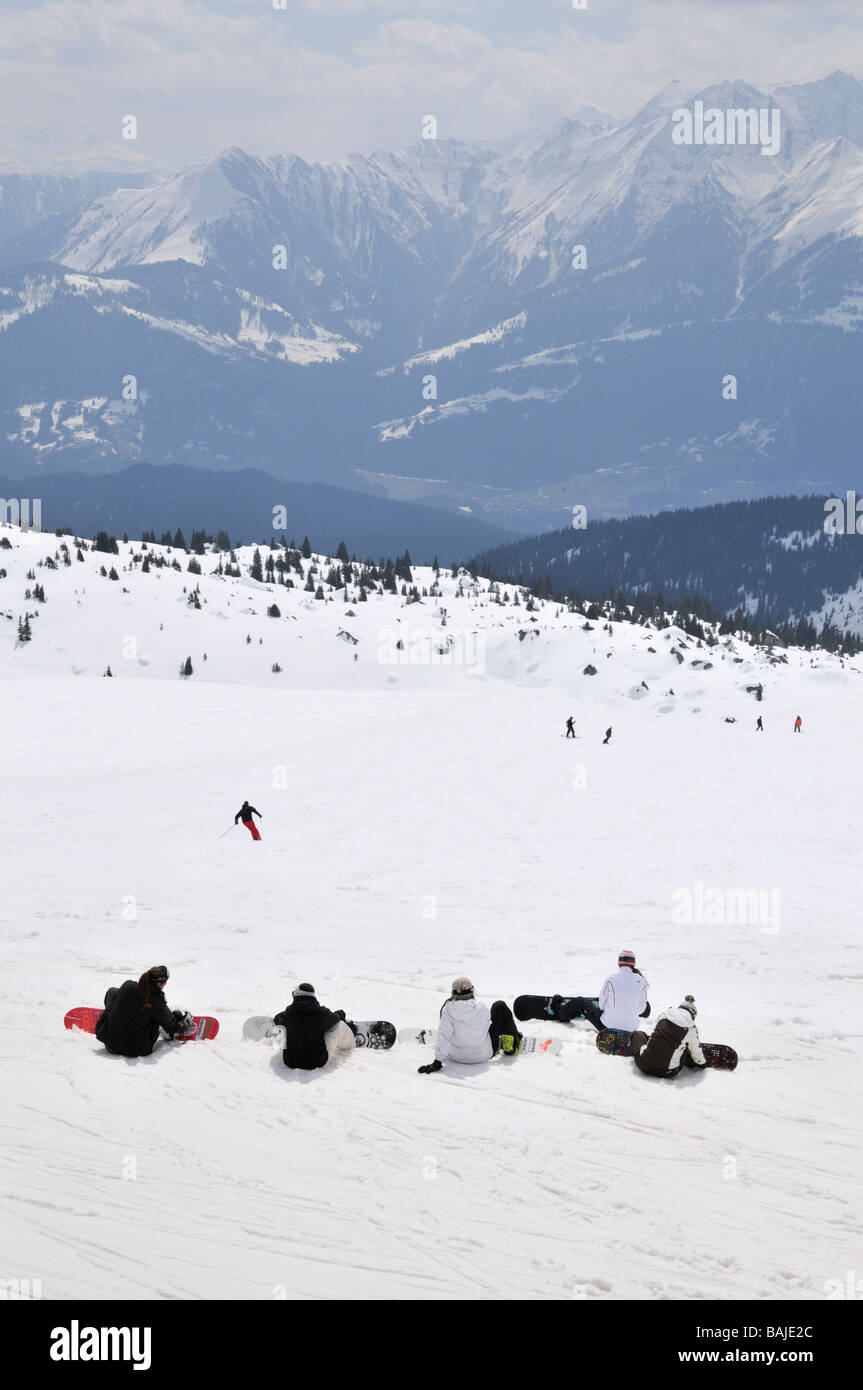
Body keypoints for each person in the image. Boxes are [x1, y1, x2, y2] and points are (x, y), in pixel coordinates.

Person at [417, 978, 523, 1074]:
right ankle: (512, 1039)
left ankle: (446, 1048)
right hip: (484, 1055)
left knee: (446, 1020)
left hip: (455, 1056)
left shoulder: (447, 1010)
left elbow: (444, 1035)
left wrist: (437, 1062)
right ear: (472, 992)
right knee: (499, 1006)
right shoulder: (481, 1007)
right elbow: (488, 1025)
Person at [94, 966, 191, 1057]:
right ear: (160, 983)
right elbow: (172, 1026)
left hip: (111, 1046)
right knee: (156, 1015)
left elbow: (115, 995)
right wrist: (184, 1023)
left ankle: (113, 1018)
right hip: (136, 1050)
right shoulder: (156, 1001)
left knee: (113, 992)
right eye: (165, 982)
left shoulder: (128, 985)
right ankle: (162, 1030)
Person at [552, 949, 650, 1031]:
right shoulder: (642, 982)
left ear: (619, 963)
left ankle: (559, 1011)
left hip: (607, 1027)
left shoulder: (611, 979)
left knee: (580, 1002)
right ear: (634, 964)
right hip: (631, 1030)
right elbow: (641, 1009)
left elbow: (601, 1005)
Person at [273, 983, 356, 1070]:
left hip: (290, 1061)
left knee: (282, 1028)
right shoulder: (322, 1014)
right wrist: (340, 1014)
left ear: (296, 996)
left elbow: (276, 1019)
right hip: (318, 1061)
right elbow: (336, 1018)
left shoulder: (288, 1014)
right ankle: (351, 1042)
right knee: (339, 1024)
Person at [630, 995, 707, 1078]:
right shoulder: (691, 1028)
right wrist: (702, 1064)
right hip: (668, 1072)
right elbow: (696, 1052)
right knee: (686, 1049)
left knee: (639, 1034)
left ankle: (633, 1043)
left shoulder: (664, 1015)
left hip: (643, 1064)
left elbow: (658, 1030)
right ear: (693, 1015)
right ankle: (688, 1058)